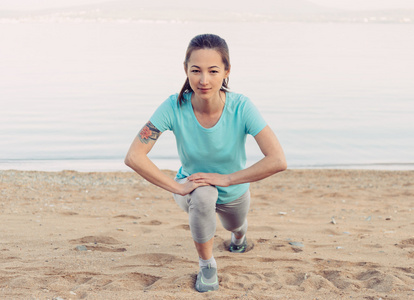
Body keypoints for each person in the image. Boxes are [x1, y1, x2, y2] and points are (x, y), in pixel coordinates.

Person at [125, 33, 287, 293]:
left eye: (213, 71)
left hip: (234, 190)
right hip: (192, 185)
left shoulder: (242, 107)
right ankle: (207, 265)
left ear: (226, 71)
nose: (203, 80)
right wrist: (177, 186)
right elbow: (134, 156)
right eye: (196, 70)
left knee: (234, 224)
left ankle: (239, 235)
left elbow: (278, 160)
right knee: (203, 194)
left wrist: (227, 179)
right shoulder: (173, 106)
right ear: (185, 70)